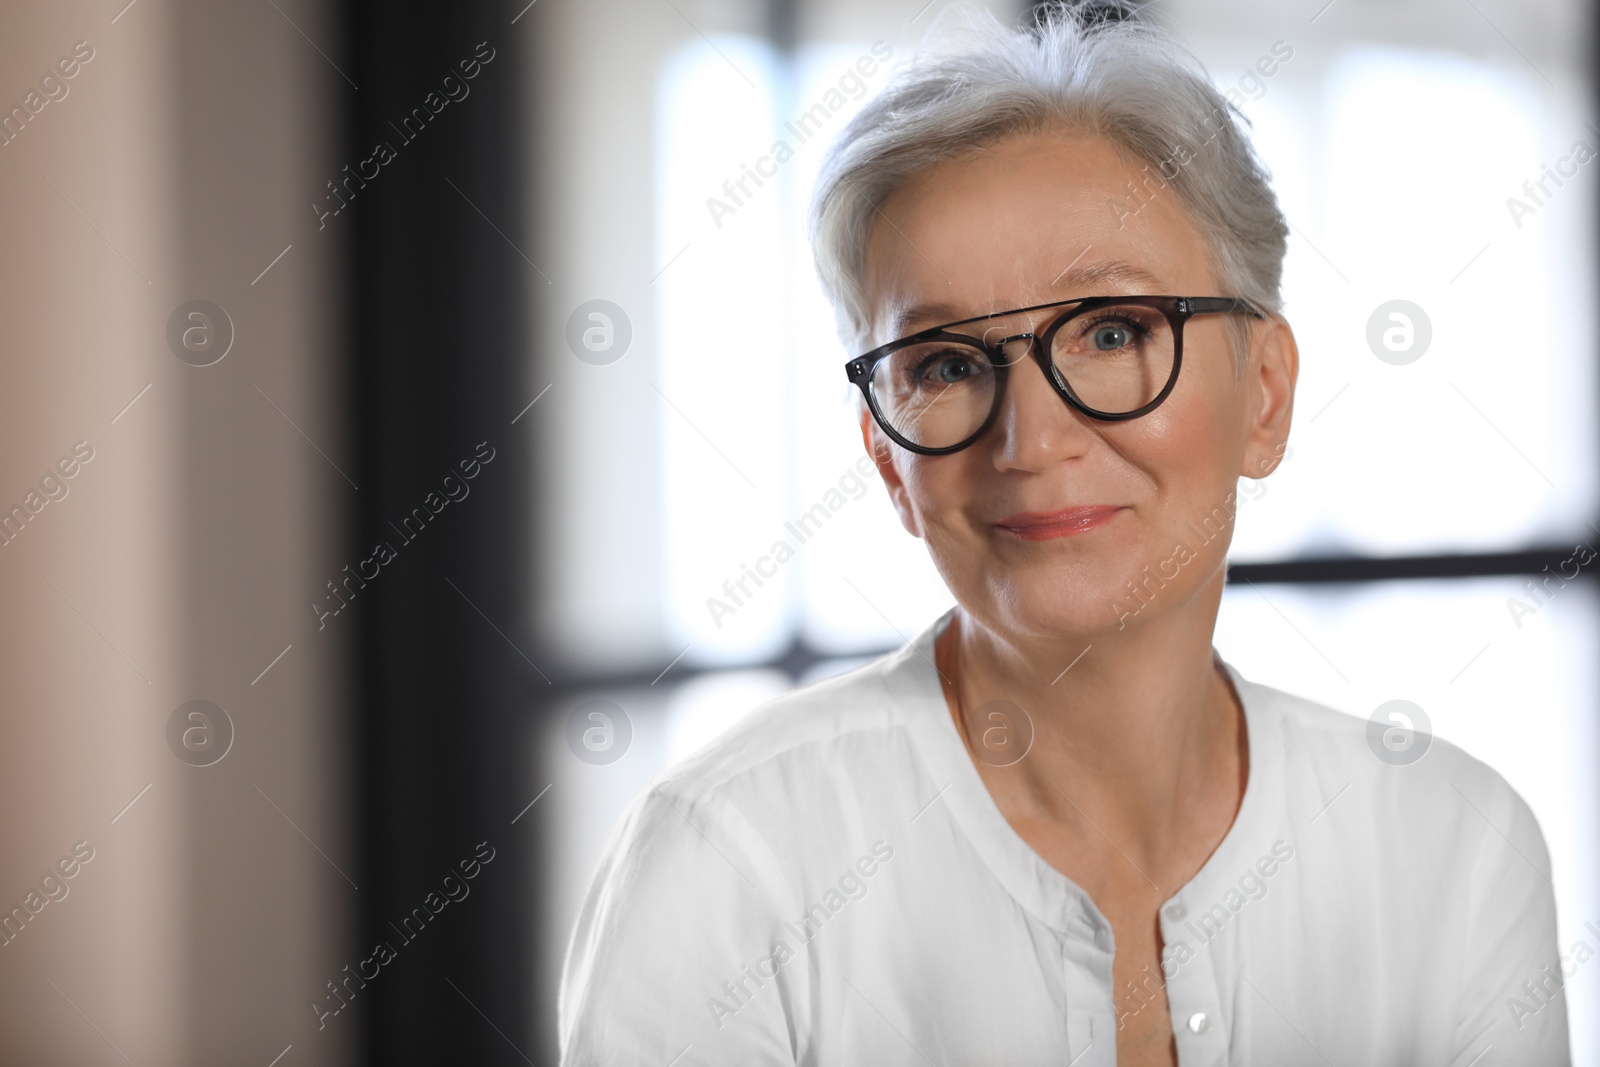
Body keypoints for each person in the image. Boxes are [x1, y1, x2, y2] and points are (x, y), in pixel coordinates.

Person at [559, 3, 1569, 1063]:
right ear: (885, 459)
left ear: (1263, 395)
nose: (1029, 440)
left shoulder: (1456, 849)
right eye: (945, 363)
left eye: (1112, 331)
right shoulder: (729, 867)